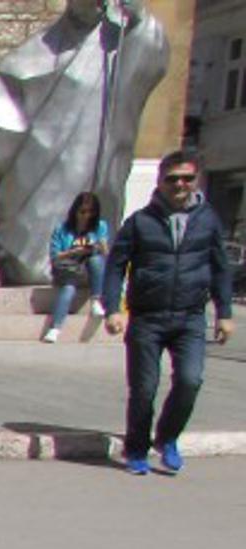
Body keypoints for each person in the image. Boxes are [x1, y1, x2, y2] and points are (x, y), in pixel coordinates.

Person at [0, 0, 167, 285]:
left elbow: (150, 54)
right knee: (28, 248)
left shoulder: (119, 44)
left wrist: (139, 21)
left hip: (92, 162)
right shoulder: (28, 54)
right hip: (34, 168)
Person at [101, 150, 234, 475]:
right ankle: (136, 449)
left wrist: (225, 313)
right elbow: (115, 266)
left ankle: (167, 438)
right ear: (160, 181)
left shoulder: (208, 220)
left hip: (190, 317)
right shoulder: (140, 222)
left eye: (187, 178)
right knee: (144, 389)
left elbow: (220, 268)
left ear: (196, 181)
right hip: (147, 318)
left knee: (190, 380)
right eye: (172, 179)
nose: (180, 185)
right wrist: (113, 308)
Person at [42, 192, 109, 343]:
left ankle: (96, 300)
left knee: (96, 259)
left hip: (90, 271)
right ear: (75, 211)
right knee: (68, 289)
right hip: (68, 270)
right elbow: (55, 256)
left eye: (91, 212)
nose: (86, 216)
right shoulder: (62, 229)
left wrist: (102, 245)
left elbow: (106, 255)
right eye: (82, 212)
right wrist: (74, 252)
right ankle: (55, 328)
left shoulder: (100, 226)